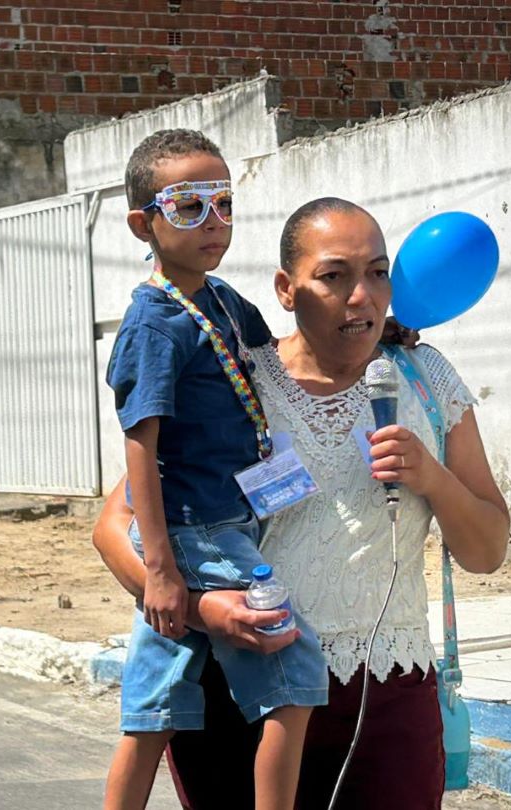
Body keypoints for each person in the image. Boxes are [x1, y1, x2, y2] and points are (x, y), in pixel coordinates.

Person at [94, 197, 510, 809]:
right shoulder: (238, 379)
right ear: (287, 290)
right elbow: (115, 526)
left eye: (377, 272)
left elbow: (488, 551)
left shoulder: (425, 379)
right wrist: (203, 610)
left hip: (387, 699)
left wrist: (432, 477)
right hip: (241, 695)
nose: (361, 296)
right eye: (334, 276)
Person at [102, 129, 328, 810]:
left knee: (155, 707)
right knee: (295, 671)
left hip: (224, 520)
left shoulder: (222, 300)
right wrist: (163, 571)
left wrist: (384, 327)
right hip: (198, 531)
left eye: (224, 203)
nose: (214, 223)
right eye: (189, 207)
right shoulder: (153, 325)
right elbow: (141, 444)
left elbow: (280, 353)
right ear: (144, 223)